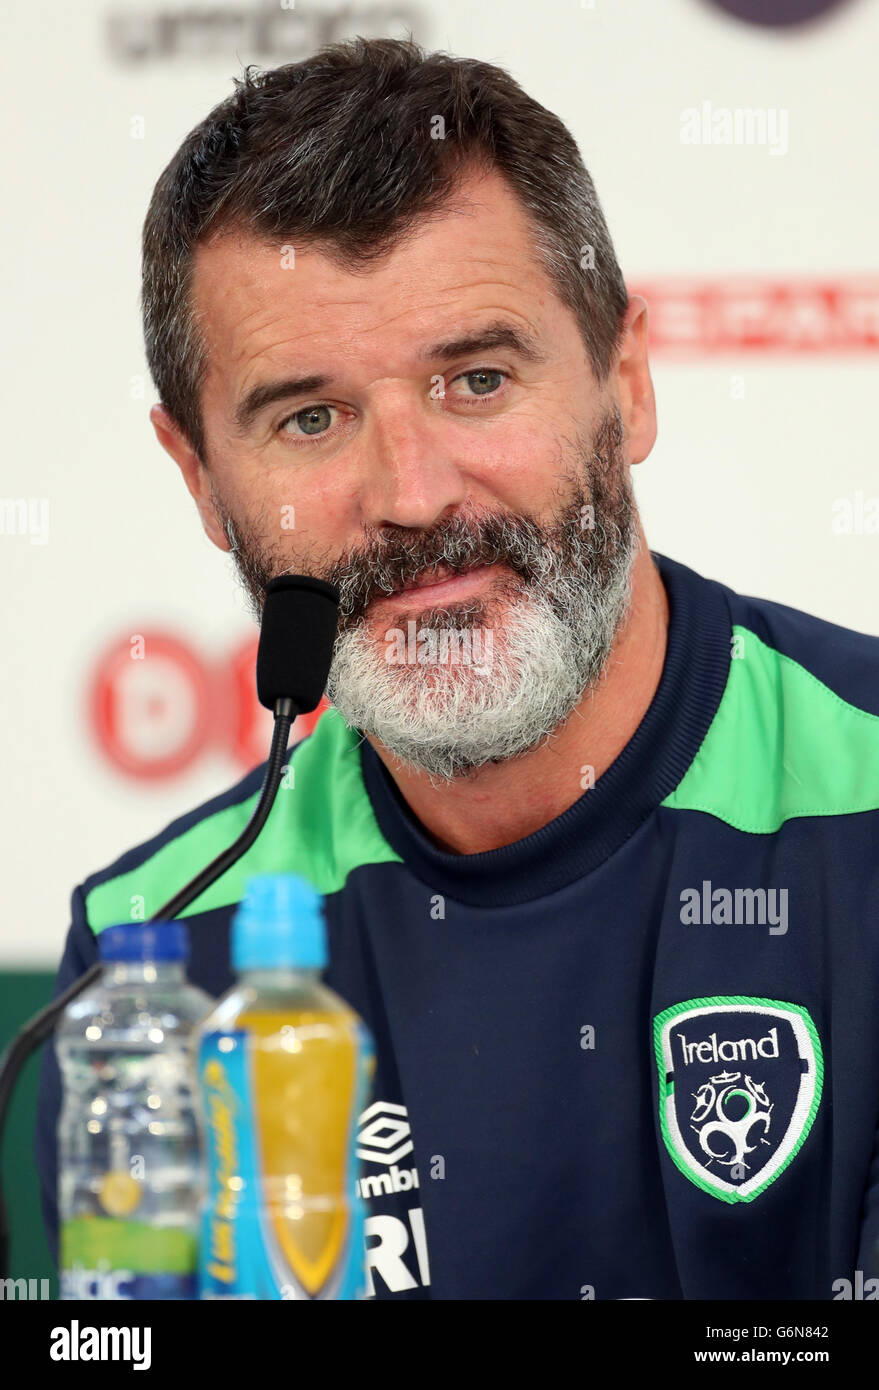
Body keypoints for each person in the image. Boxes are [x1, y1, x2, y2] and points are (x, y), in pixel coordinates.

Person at [36, 36, 879, 1300]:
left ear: (628, 380)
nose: (413, 495)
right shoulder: (156, 961)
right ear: (200, 478)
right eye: (309, 418)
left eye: (476, 380)